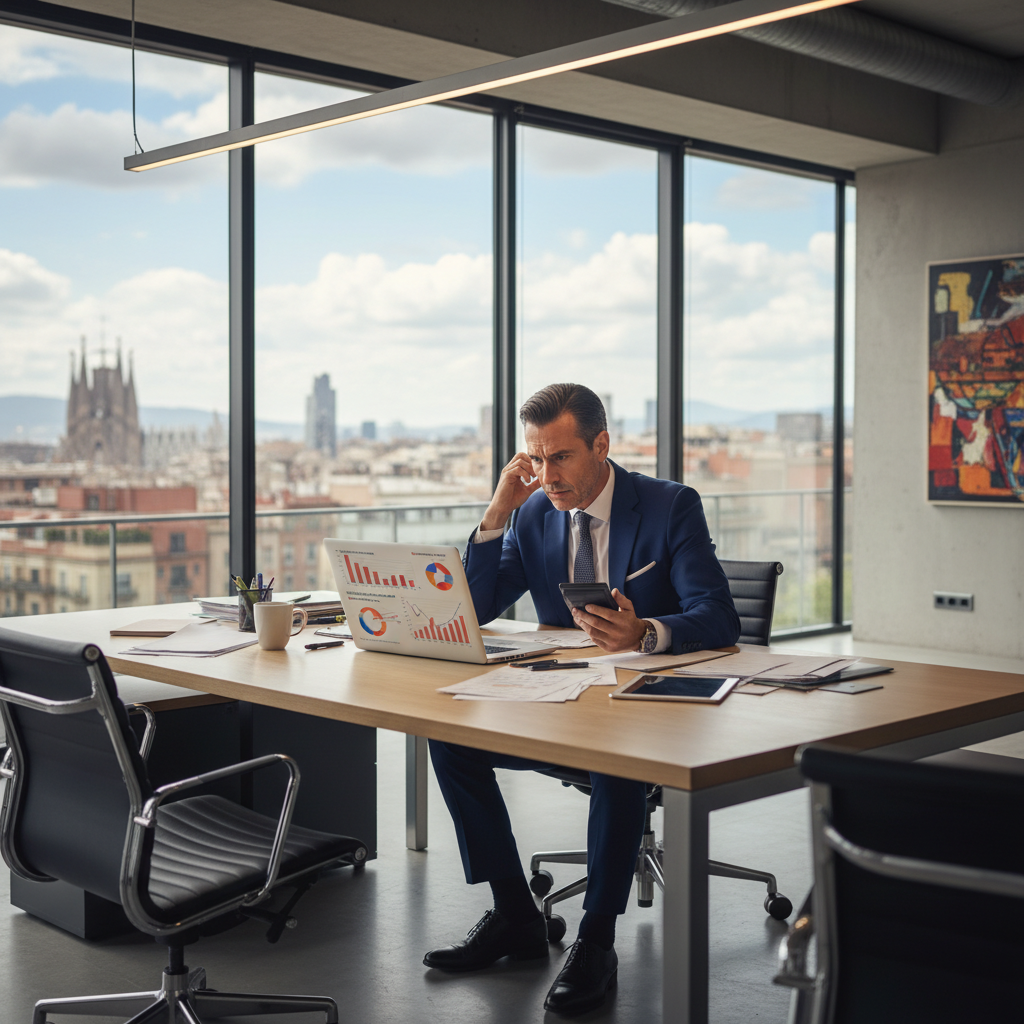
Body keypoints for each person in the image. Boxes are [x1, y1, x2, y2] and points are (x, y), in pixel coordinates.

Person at [424, 383, 740, 1015]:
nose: (547, 475)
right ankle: (516, 914)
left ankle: (596, 938)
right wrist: (495, 514)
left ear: (601, 445)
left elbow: (719, 615)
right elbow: (478, 607)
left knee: (614, 755)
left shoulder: (669, 505)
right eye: (535, 460)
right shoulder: (535, 511)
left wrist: (647, 632)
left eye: (560, 457)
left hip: (646, 706)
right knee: (450, 737)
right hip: (560, 696)